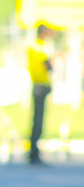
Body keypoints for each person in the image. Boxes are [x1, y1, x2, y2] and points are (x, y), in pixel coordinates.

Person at [27, 23, 57, 166]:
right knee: (38, 120)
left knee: (39, 119)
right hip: (39, 85)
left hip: (41, 85)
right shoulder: (38, 46)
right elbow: (47, 65)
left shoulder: (38, 46)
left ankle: (34, 152)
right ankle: (33, 153)